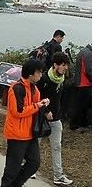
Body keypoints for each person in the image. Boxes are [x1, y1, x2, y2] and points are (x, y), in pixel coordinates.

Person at [1, 59, 50, 187]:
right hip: (17, 134)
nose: (40, 75)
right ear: (30, 74)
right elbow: (18, 111)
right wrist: (37, 105)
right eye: (39, 72)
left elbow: (36, 106)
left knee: (34, 163)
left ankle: (15, 185)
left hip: (30, 133)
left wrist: (43, 106)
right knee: (12, 168)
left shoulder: (34, 88)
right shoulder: (17, 88)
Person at [36, 52, 73, 185]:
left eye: (66, 65)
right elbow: (37, 98)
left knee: (57, 146)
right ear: (55, 65)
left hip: (56, 118)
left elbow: (61, 99)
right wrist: (45, 111)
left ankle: (58, 175)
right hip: (41, 117)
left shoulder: (62, 80)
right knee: (35, 144)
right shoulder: (44, 79)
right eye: (63, 65)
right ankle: (31, 169)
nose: (66, 68)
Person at [70, 44, 92, 132]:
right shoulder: (88, 53)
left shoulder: (83, 51)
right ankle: (75, 125)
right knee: (82, 106)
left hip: (79, 83)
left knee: (82, 105)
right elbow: (89, 69)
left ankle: (82, 124)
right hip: (85, 83)